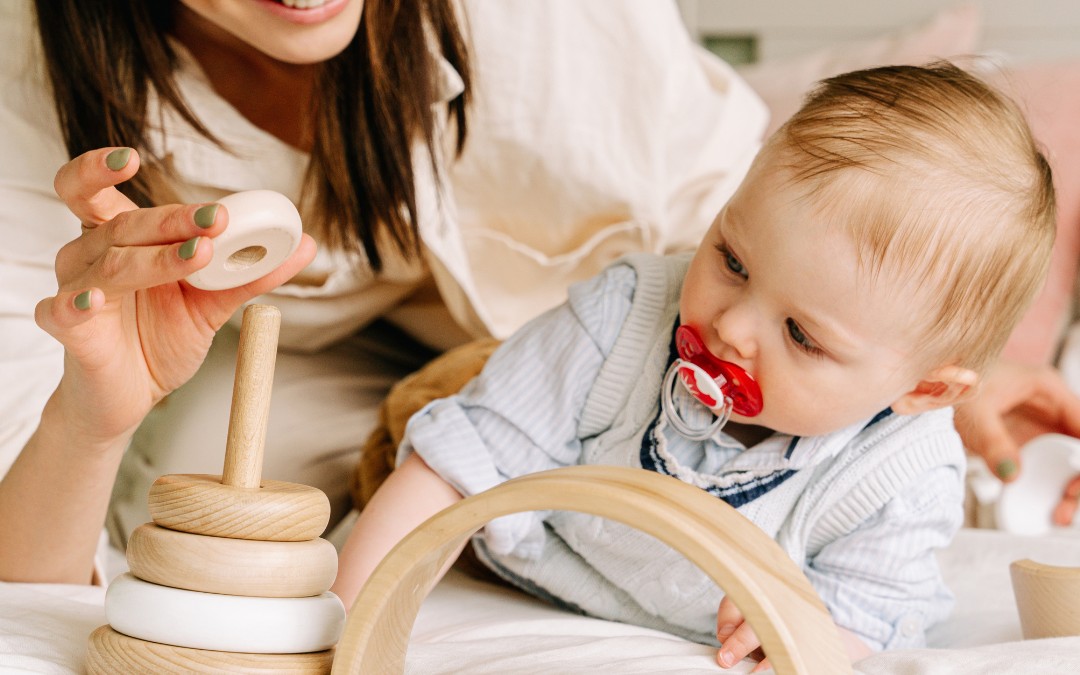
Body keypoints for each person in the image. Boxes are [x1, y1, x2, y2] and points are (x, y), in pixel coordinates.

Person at [0, 0, 1075, 589]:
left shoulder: (561, 32)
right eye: (734, 273)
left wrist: (887, 374)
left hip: (580, 318)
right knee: (222, 521)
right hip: (322, 353)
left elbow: (769, 234)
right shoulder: (29, 98)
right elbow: (26, 556)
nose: (743, 321)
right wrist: (87, 420)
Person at [330, 63, 1057, 670]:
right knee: (428, 425)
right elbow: (451, 469)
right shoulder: (626, 317)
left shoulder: (903, 473)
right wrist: (348, 633)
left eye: (802, 334)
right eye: (732, 259)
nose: (731, 325)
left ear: (924, 387)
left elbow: (868, 614)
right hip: (532, 547)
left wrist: (806, 630)